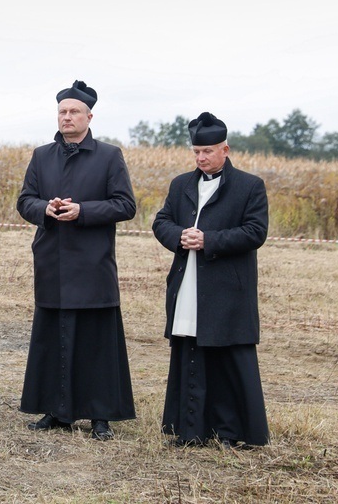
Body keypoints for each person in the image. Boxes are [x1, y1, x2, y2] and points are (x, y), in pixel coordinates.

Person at [16, 80, 137, 440]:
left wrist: (82, 210)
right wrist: (46, 209)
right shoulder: (41, 155)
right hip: (52, 260)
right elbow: (25, 201)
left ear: (89, 116)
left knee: (96, 340)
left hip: (92, 262)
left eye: (73, 112)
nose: (66, 117)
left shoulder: (109, 155)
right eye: (62, 112)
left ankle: (100, 415)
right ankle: (56, 410)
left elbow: (125, 205)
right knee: (54, 337)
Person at [152, 112, 270, 448]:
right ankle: (190, 430)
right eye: (196, 152)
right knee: (190, 352)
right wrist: (179, 236)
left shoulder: (250, 185)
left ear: (225, 149)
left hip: (228, 289)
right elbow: (161, 221)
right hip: (187, 283)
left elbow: (255, 232)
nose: (201, 158)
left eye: (208, 151)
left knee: (228, 360)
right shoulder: (181, 184)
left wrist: (208, 241)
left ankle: (232, 433)